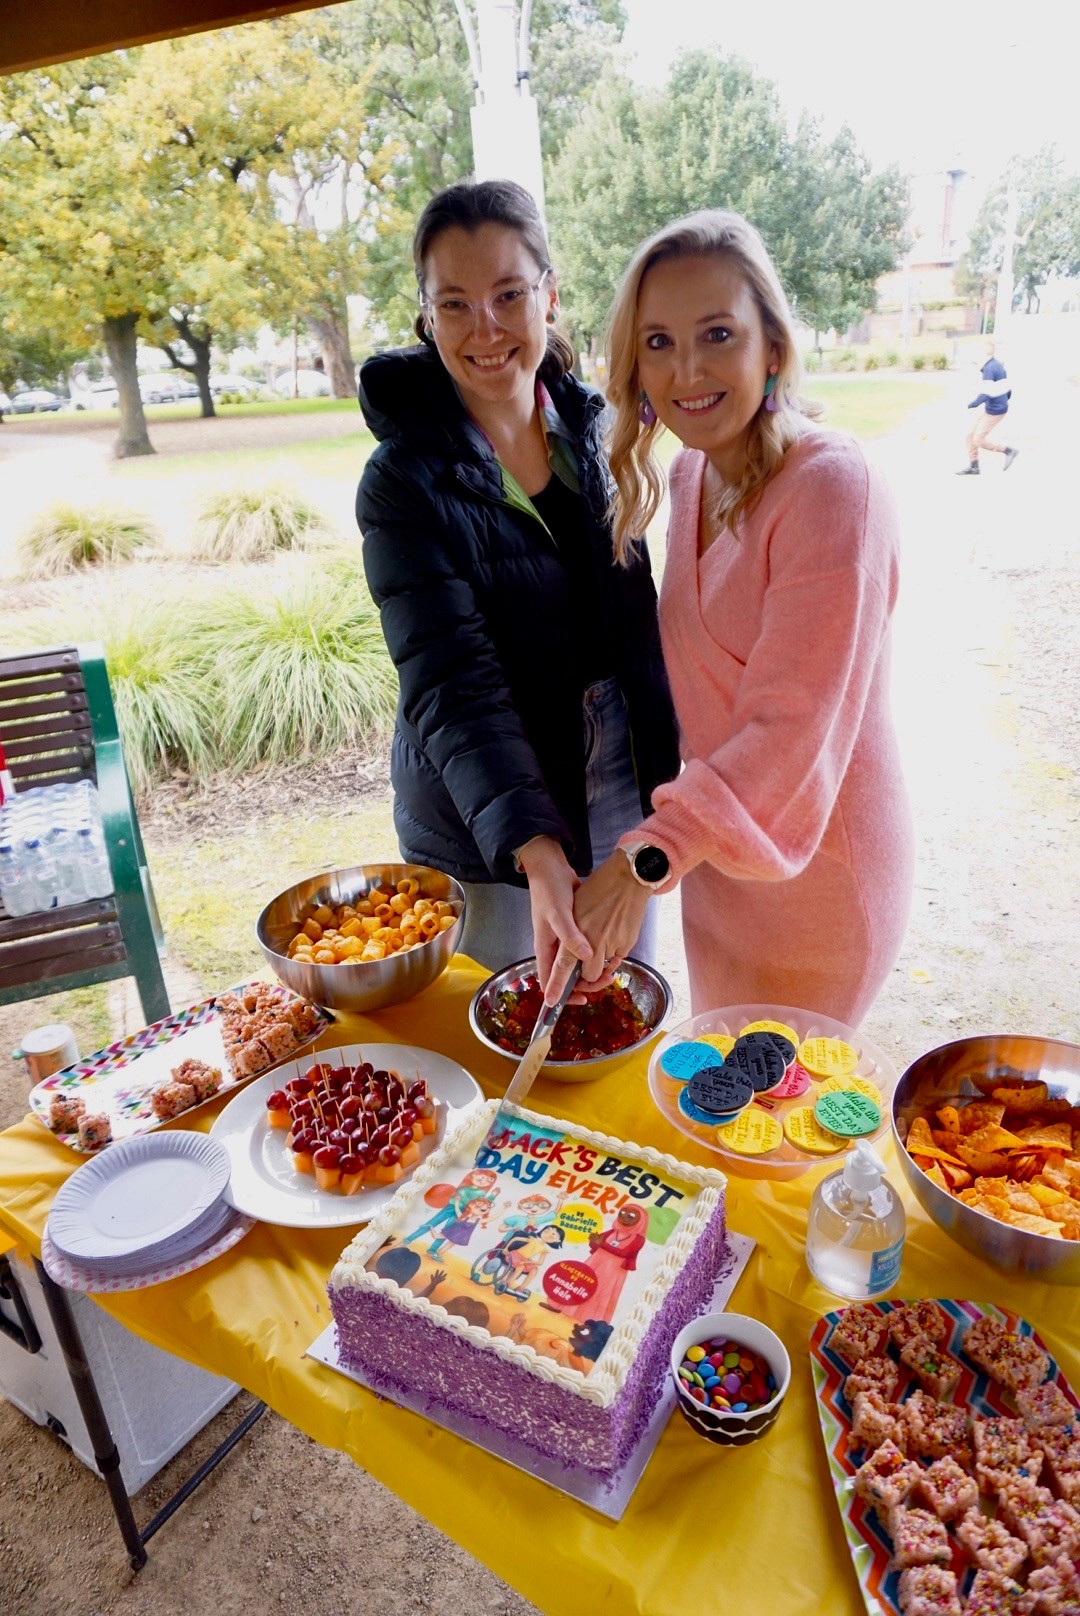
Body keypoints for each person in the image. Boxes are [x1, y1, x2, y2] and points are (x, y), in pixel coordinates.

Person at [544, 210, 915, 1026]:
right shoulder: (687, 478)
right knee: (714, 1133)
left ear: (772, 346)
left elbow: (789, 731)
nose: (687, 370)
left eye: (717, 334)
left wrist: (639, 860)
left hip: (820, 881)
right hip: (715, 876)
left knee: (781, 1142)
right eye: (659, 342)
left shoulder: (833, 487)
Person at [355, 180, 679, 979]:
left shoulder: (599, 430)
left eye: (508, 294)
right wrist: (536, 853)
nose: (486, 328)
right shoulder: (402, 482)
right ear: (427, 316)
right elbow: (449, 679)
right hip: (487, 807)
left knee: (620, 999)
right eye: (455, 304)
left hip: (619, 770)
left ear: (550, 295)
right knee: (517, 1014)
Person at [958, 339, 1019, 475]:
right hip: (994, 407)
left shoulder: (990, 368)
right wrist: (1003, 400)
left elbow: (986, 392)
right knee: (970, 436)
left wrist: (973, 403)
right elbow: (1007, 387)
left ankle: (1009, 451)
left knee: (978, 439)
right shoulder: (996, 364)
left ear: (982, 354)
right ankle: (974, 466)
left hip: (995, 410)